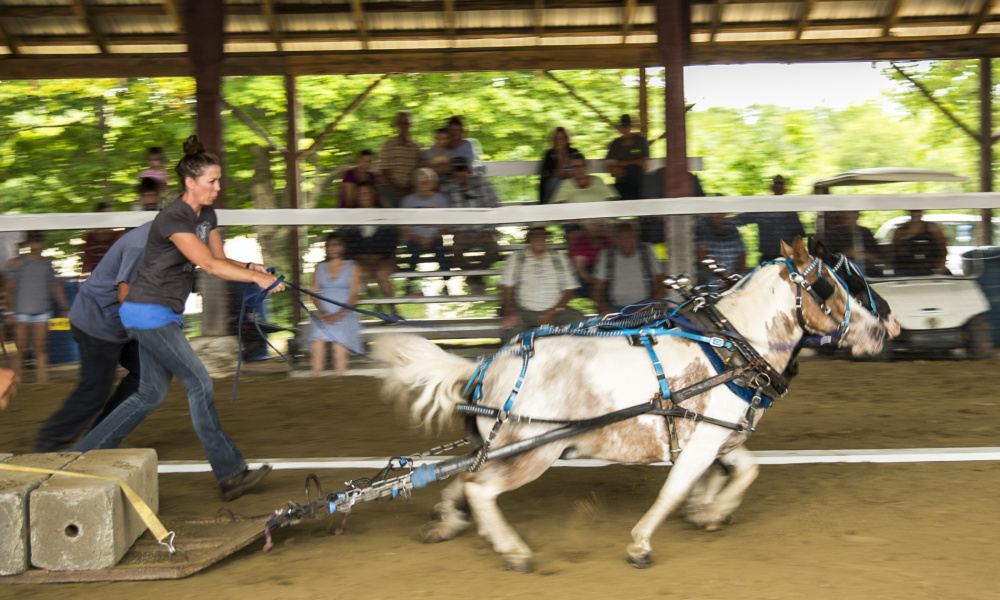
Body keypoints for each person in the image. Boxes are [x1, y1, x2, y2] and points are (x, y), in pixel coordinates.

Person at [72, 135, 284, 502]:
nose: (218, 187)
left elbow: (220, 257)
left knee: (150, 394)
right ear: (190, 182)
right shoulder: (173, 217)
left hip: (164, 313)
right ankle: (231, 473)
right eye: (212, 181)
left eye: (219, 180)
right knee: (199, 382)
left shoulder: (208, 215)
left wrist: (252, 267)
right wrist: (255, 277)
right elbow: (210, 265)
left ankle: (82, 456)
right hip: (145, 312)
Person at [34, 221, 153, 453]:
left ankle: (102, 437)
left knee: (148, 372)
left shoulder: (170, 243)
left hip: (120, 323)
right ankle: (50, 442)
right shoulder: (141, 246)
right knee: (95, 390)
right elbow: (125, 296)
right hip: (97, 323)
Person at [4, 230, 70, 384]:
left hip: (41, 311)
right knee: (19, 349)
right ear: (28, 243)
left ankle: (42, 382)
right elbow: (9, 289)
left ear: (42, 242)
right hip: (20, 312)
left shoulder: (46, 263)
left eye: (38, 240)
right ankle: (15, 382)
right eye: (33, 240)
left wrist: (64, 307)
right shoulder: (17, 263)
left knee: (40, 348)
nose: (36, 243)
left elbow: (56, 286)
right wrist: (9, 310)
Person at [500, 223, 583, 341]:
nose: (540, 240)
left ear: (547, 240)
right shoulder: (517, 258)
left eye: (543, 237)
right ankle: (516, 358)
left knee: (580, 321)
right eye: (535, 237)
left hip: (556, 310)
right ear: (529, 240)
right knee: (510, 328)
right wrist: (509, 312)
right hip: (524, 311)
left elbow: (570, 289)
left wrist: (553, 311)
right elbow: (506, 287)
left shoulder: (559, 258)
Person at [440, 156, 500, 294]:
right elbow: (446, 212)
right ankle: (476, 276)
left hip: (483, 231)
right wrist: (455, 230)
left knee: (494, 251)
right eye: (456, 170)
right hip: (462, 233)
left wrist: (489, 229)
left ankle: (474, 276)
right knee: (454, 254)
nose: (459, 174)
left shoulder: (482, 184)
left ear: (469, 170)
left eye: (462, 170)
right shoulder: (449, 188)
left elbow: (493, 207)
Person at [310, 232, 364, 377]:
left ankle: (341, 376)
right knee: (317, 342)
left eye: (336, 245)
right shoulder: (320, 267)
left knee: (339, 344)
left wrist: (339, 314)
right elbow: (313, 294)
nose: (332, 248)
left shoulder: (352, 266)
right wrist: (322, 312)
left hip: (344, 312)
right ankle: (316, 376)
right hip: (324, 312)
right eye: (329, 245)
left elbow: (355, 295)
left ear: (343, 247)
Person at [340, 182, 398, 309]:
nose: (364, 195)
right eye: (361, 193)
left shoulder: (384, 214)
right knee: (355, 273)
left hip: (384, 259)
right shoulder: (350, 216)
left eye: (367, 192)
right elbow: (345, 239)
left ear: (374, 194)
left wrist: (378, 256)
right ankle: (349, 313)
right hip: (359, 260)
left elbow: (392, 237)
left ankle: (393, 311)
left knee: (381, 273)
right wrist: (361, 256)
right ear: (356, 196)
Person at [592, 221, 665, 315]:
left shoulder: (646, 251)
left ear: (637, 238)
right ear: (615, 240)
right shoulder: (607, 255)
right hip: (614, 308)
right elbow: (597, 288)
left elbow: (660, 281)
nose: (626, 241)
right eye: (621, 238)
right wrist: (603, 309)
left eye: (630, 237)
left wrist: (650, 304)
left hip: (645, 306)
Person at [730, 175, 806, 263]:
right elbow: (742, 218)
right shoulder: (763, 209)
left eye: (781, 187)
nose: (779, 190)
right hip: (768, 258)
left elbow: (799, 237)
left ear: (784, 190)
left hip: (789, 259)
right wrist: (725, 218)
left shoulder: (792, 213)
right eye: (777, 187)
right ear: (773, 188)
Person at [399, 168, 451, 295]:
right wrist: (419, 239)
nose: (425, 185)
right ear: (415, 184)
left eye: (428, 182)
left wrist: (433, 238)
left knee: (441, 252)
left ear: (433, 184)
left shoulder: (440, 200)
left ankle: (446, 284)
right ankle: (409, 283)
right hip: (414, 238)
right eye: (421, 182)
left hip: (436, 237)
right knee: (414, 255)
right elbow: (403, 229)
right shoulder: (407, 201)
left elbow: (446, 224)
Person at [379, 111, 422, 207]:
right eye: (402, 123)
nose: (404, 126)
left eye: (407, 123)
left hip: (410, 189)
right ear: (397, 124)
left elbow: (417, 171)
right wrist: (398, 190)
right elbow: (384, 171)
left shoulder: (415, 147)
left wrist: (408, 189)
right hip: (390, 189)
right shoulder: (388, 145)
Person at [825, 211, 883, 276]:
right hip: (843, 272)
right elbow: (826, 259)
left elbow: (879, 260)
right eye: (846, 218)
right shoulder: (834, 233)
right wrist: (846, 253)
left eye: (851, 218)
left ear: (857, 216)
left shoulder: (866, 233)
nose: (848, 221)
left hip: (869, 272)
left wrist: (864, 254)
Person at [605, 114, 649, 200]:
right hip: (621, 183)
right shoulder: (615, 144)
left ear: (631, 127)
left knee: (634, 171)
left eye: (627, 127)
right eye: (623, 127)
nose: (625, 130)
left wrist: (622, 164)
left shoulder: (640, 141)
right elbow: (613, 171)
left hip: (639, 183)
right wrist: (634, 165)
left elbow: (644, 164)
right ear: (620, 128)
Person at [891, 210, 948, 275]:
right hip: (907, 267)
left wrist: (941, 265)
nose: (916, 214)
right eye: (913, 212)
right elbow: (895, 250)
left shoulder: (933, 227)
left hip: (931, 266)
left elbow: (943, 248)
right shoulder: (900, 230)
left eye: (918, 212)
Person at [695, 212, 747, 282]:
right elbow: (702, 253)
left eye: (721, 213)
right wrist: (722, 276)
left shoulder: (731, 224)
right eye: (715, 213)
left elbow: (742, 254)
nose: (718, 215)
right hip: (712, 274)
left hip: (732, 273)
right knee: (712, 281)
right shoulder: (702, 224)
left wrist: (739, 275)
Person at [568, 218, 611, 300]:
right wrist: (595, 282)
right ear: (589, 227)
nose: (599, 228)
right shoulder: (581, 240)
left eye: (602, 226)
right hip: (587, 276)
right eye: (596, 225)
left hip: (605, 274)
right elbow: (580, 269)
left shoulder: (608, 239)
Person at [551, 153, 619, 205]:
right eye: (574, 166)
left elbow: (612, 200)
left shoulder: (598, 180)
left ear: (586, 167)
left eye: (581, 166)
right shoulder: (565, 184)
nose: (578, 169)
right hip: (574, 222)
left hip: (599, 220)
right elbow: (558, 207)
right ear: (570, 169)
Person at [81, 201, 124, 275]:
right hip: (96, 278)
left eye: (108, 216)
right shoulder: (90, 237)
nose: (106, 219)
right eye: (103, 215)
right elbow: (86, 263)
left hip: (115, 277)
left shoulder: (118, 236)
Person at [538, 127, 578, 204]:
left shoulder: (574, 152)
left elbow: (578, 173)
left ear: (567, 140)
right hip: (555, 188)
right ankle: (551, 208)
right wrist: (562, 157)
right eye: (556, 138)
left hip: (571, 185)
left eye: (561, 138)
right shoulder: (549, 154)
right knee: (554, 181)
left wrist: (562, 175)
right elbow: (553, 175)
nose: (558, 141)